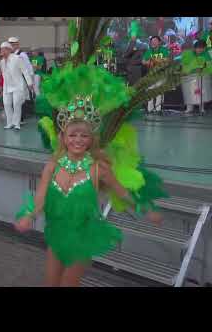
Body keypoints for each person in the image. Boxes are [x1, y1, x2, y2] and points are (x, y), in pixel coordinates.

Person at [15, 61, 166, 287]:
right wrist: (29, 215)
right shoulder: (52, 165)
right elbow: (40, 198)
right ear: (64, 137)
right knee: (50, 283)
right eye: (73, 135)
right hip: (56, 233)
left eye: (83, 136)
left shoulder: (98, 168)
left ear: (91, 139)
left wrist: (146, 210)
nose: (78, 140)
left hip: (83, 236)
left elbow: (122, 193)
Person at [0, 42, 33, 131]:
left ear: (9, 50)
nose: (2, 51)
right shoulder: (1, 61)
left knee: (16, 104)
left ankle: (16, 124)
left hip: (18, 85)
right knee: (7, 104)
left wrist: (29, 83)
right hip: (7, 87)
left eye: (4, 49)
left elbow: (25, 71)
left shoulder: (17, 58)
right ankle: (9, 123)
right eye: (1, 49)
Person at [181, 40, 212, 114]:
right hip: (189, 77)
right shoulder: (188, 53)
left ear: (204, 48)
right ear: (194, 48)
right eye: (198, 48)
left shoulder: (206, 54)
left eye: (201, 48)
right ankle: (189, 108)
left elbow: (209, 65)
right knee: (189, 92)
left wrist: (203, 67)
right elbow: (183, 64)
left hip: (201, 76)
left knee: (201, 92)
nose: (199, 50)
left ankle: (201, 108)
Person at [8, 37, 34, 123]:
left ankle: (20, 118)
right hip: (13, 81)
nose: (11, 46)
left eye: (12, 44)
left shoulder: (22, 55)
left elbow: (28, 68)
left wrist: (30, 82)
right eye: (10, 44)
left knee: (20, 99)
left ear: (17, 45)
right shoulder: (10, 55)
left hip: (21, 81)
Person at [142, 36, 171, 113]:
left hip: (161, 74)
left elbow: (167, 60)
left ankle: (158, 110)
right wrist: (148, 62)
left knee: (159, 92)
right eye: (152, 41)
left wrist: (155, 60)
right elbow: (143, 61)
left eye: (155, 41)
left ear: (159, 42)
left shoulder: (164, 50)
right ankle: (150, 109)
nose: (153, 42)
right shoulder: (149, 51)